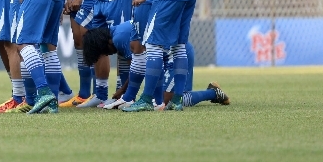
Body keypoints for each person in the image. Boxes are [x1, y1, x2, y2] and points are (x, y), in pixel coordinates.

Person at [82, 26, 229, 109]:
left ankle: (213, 93)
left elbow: (139, 69)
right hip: (172, 54)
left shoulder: (119, 39)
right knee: (175, 99)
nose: (107, 54)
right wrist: (123, 91)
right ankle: (213, 92)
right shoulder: (118, 32)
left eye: (103, 52)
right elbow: (139, 67)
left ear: (104, 44)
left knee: (167, 102)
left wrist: (125, 95)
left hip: (175, 56)